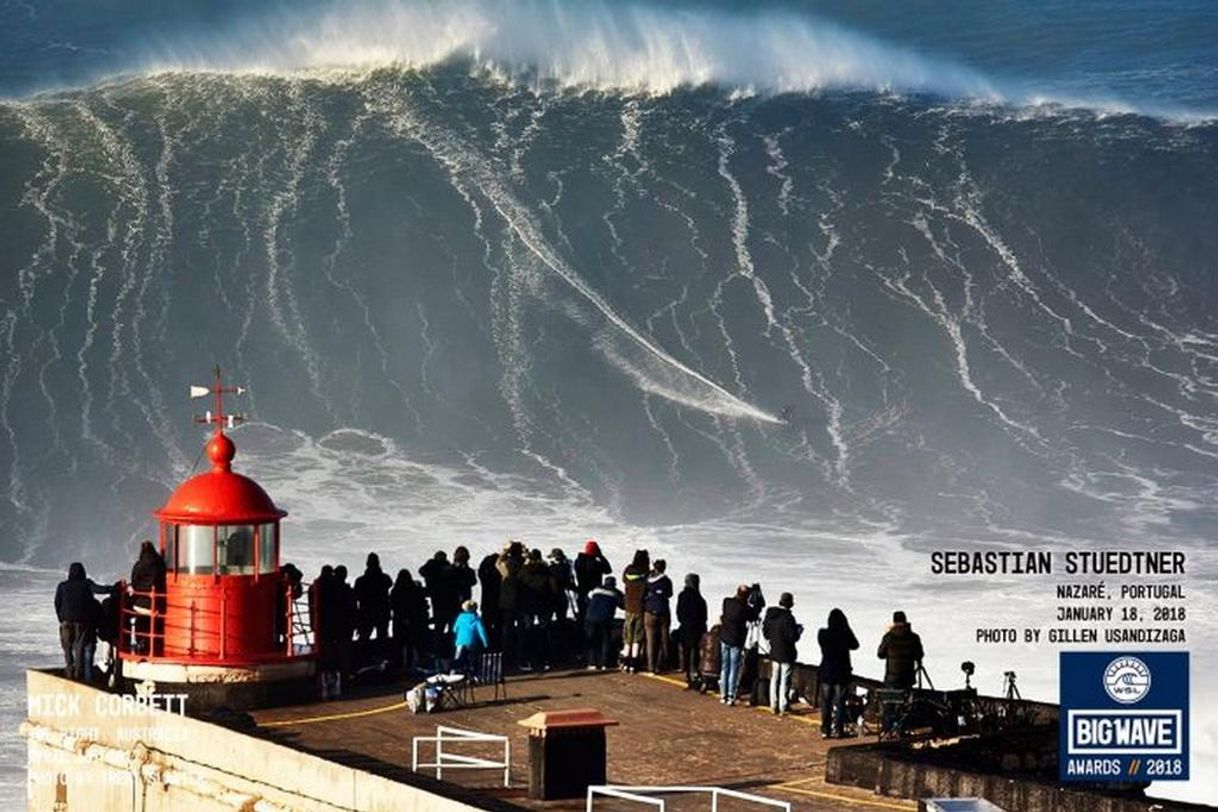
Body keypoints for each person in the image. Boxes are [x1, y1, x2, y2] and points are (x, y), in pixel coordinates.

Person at [53, 563, 109, 681]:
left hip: (66, 622)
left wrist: (61, 618)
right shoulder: (86, 584)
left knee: (67, 646)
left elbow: (57, 603)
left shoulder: (63, 586)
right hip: (82, 622)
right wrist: (114, 588)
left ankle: (69, 669)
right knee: (79, 646)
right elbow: (99, 590)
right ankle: (78, 674)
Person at [818, 608, 859, 738]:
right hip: (841, 673)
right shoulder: (845, 635)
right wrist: (847, 629)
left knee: (826, 703)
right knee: (840, 703)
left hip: (827, 672)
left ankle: (825, 730)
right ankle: (838, 730)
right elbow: (855, 645)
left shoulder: (823, 634)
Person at [762, 592, 802, 715]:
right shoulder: (788, 618)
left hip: (774, 651)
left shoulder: (771, 615)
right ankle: (783, 705)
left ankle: (773, 704)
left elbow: (766, 633)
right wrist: (798, 631)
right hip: (786, 653)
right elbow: (792, 638)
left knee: (774, 679)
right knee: (785, 680)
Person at [519, 548, 555, 670]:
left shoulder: (523, 570)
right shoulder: (546, 570)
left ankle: (527, 660)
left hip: (527, 605)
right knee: (544, 632)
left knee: (527, 631)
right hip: (543, 605)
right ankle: (546, 661)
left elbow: (518, 585)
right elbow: (553, 588)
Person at [129, 540, 166, 654]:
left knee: (141, 625)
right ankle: (156, 647)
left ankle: (142, 645)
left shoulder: (139, 565)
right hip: (158, 602)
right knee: (156, 626)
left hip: (141, 603)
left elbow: (134, 581)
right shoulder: (160, 563)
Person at [390, 569, 427, 673]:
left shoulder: (395, 590)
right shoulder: (414, 590)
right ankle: (410, 665)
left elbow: (393, 604)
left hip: (398, 619)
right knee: (410, 643)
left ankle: (399, 665)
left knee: (398, 643)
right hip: (413, 619)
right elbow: (419, 604)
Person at [496, 542, 526, 668]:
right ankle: (521, 659)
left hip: (507, 602)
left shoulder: (507, 565)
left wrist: (504, 551)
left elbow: (497, 563)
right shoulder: (525, 564)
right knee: (521, 632)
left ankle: (506, 659)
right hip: (522, 601)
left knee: (507, 631)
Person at [719, 584, 751, 704]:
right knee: (733, 668)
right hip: (736, 641)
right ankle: (731, 694)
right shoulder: (744, 608)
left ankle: (723, 694)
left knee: (724, 667)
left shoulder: (727, 602)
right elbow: (752, 616)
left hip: (725, 638)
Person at [877, 610, 924, 689]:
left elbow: (880, 654)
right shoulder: (914, 637)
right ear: (905, 620)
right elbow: (919, 654)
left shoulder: (888, 637)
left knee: (892, 697)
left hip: (892, 678)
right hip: (908, 678)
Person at [620, 549, 650, 673]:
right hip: (639, 608)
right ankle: (634, 663)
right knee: (637, 636)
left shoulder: (627, 571)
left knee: (628, 635)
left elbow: (623, 580)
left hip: (628, 606)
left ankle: (625, 661)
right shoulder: (646, 574)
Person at [675, 573, 707, 688]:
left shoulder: (682, 596)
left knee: (686, 651)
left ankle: (687, 673)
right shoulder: (700, 599)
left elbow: (679, 612)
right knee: (695, 653)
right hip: (697, 628)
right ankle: (694, 673)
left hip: (685, 627)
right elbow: (704, 616)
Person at [584, 576, 623, 669]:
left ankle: (592, 663)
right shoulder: (616, 592)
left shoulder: (596, 589)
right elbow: (623, 605)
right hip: (606, 619)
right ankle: (605, 663)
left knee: (592, 640)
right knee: (605, 640)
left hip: (591, 617)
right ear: (614, 584)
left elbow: (586, 599)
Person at [353, 552, 392, 644]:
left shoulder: (361, 581)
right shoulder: (385, 578)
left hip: (366, 612)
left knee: (364, 637)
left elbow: (356, 596)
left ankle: (363, 656)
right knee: (382, 636)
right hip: (382, 611)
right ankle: (381, 655)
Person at [643, 559, 673, 674]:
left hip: (650, 612)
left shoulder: (647, 580)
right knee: (663, 639)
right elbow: (669, 594)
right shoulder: (667, 580)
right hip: (663, 611)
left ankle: (651, 666)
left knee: (651, 641)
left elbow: (644, 592)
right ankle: (663, 664)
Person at [419, 551, 457, 637]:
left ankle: (439, 644)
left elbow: (422, 571)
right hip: (447, 598)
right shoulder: (447, 567)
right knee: (447, 624)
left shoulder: (434, 566)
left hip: (437, 596)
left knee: (439, 623)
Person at [574, 540, 611, 621]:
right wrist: (601, 556)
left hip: (581, 590)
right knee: (592, 616)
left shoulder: (578, 561)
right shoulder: (595, 564)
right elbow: (608, 570)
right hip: (594, 592)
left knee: (582, 614)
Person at [451, 599, 489, 674]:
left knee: (457, 657)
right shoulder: (476, 618)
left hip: (460, 641)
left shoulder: (460, 617)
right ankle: (472, 672)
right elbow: (482, 631)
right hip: (471, 641)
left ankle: (453, 672)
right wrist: (485, 642)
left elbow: (454, 629)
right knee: (472, 657)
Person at [477, 550, 502, 647]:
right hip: (499, 603)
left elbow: (480, 571)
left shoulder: (485, 575)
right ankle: (497, 645)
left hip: (486, 603)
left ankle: (485, 645)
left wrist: (486, 560)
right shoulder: (499, 575)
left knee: (486, 626)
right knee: (498, 627)